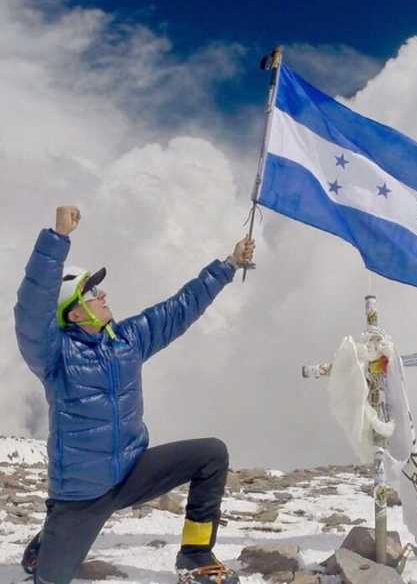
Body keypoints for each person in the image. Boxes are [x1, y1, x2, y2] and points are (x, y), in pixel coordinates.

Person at [14, 205, 255, 584]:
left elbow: (178, 310)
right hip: (82, 497)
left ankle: (195, 554)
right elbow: (30, 313)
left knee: (211, 454)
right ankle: (49, 542)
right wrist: (57, 239)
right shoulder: (55, 356)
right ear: (73, 314)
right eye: (90, 292)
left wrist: (227, 265)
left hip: (131, 473)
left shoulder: (126, 341)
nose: (102, 293)